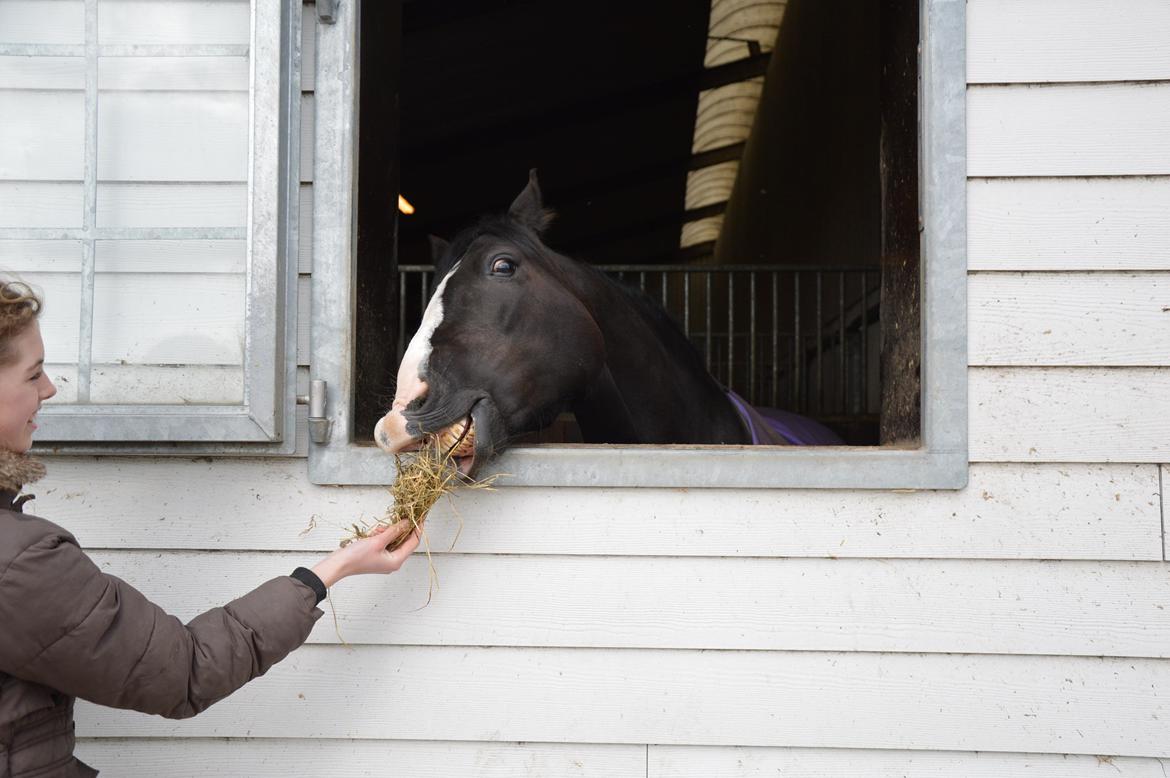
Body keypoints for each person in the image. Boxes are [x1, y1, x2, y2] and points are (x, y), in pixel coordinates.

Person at [0, 279, 420, 777]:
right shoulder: (18, 560)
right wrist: (326, 574)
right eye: (34, 374)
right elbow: (184, 673)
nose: (49, 388)